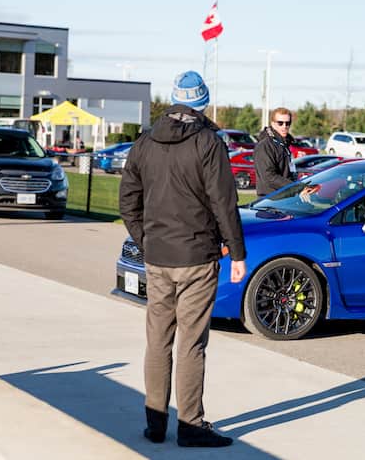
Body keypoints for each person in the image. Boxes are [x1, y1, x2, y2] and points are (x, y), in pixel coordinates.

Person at [119, 70, 247, 448]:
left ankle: (155, 424)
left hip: (158, 256)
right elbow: (223, 201)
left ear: (173, 100)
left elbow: (128, 200)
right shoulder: (208, 142)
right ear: (202, 103)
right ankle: (190, 424)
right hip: (196, 256)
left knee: (157, 339)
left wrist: (145, 240)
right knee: (191, 341)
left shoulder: (144, 142)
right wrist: (237, 252)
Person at [253, 107, 296, 197]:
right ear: (273, 124)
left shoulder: (284, 144)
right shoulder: (265, 146)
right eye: (280, 123)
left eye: (287, 123)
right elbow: (269, 177)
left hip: (285, 197)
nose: (284, 126)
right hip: (270, 200)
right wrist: (294, 186)